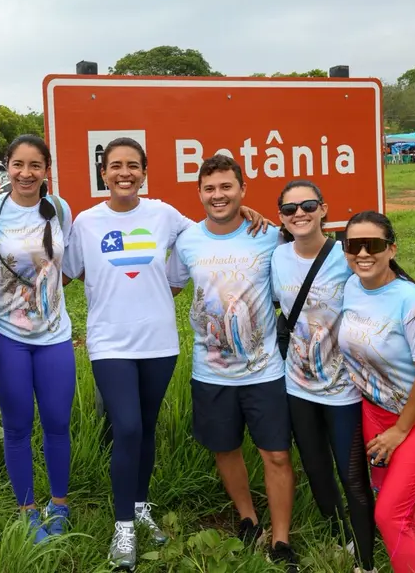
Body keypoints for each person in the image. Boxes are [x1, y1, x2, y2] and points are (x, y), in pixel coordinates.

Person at [62, 140, 265, 570]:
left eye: (133, 165)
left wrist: (245, 212)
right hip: (109, 342)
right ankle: (123, 529)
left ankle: (140, 508)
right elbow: (68, 272)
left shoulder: (164, 215)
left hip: (159, 342)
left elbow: (209, 231)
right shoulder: (86, 222)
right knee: (127, 427)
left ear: (144, 171)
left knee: (146, 428)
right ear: (103, 173)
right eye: (115, 165)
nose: (124, 173)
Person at [271, 180, 415, 573]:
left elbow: (394, 281)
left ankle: (366, 564)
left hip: (346, 391)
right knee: (317, 471)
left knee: (354, 480)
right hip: (297, 385)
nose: (299, 214)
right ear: (280, 216)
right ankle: (344, 538)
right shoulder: (277, 255)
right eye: (290, 209)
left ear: (323, 209)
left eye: (308, 205)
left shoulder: (347, 254)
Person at [165, 154, 298, 571]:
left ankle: (280, 539)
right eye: (210, 188)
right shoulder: (188, 241)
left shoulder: (270, 236)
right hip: (211, 372)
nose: (218, 195)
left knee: (277, 454)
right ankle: (247, 518)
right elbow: (167, 287)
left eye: (226, 187)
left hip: (264, 369)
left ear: (243, 189)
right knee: (225, 449)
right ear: (199, 193)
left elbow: (305, 274)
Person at [338, 211, 415, 573]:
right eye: (354, 245)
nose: (363, 253)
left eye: (373, 245)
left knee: (389, 514)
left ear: (391, 249)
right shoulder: (351, 284)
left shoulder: (413, 302)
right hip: (376, 411)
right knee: (399, 511)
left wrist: (400, 431)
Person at [0, 134, 75, 543]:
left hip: (55, 335)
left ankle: (59, 505)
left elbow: (66, 270)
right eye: (18, 164)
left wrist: (42, 301)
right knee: (16, 426)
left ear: (47, 169)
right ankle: (28, 510)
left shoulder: (60, 209)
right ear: (7, 166)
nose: (26, 173)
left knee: (57, 423)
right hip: (7, 336)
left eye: (35, 166)